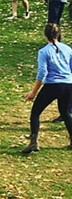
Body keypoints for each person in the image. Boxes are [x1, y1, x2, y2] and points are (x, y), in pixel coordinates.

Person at [22, 23, 72, 153]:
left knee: (35, 113)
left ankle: (33, 142)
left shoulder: (44, 51)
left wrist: (33, 92)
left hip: (52, 85)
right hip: (68, 85)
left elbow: (42, 73)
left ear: (45, 35)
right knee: (65, 112)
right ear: (58, 34)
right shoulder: (68, 49)